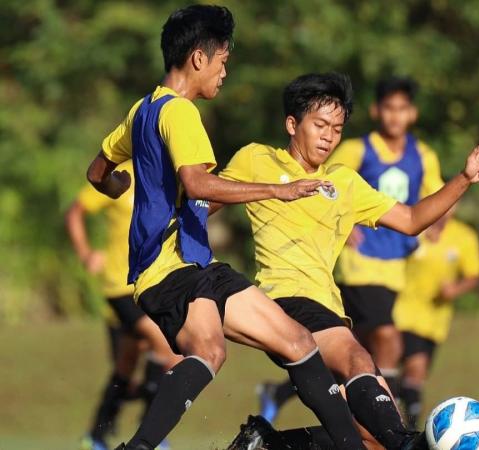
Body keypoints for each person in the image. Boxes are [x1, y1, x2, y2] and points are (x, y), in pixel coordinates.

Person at [86, 6, 367, 450]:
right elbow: (196, 183)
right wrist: (279, 191)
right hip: (170, 266)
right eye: (223, 63)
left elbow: (97, 170)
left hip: (194, 264)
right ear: (200, 58)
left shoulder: (143, 108)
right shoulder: (179, 113)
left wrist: (117, 183)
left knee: (290, 340)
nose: (223, 74)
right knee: (215, 351)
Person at [220, 72, 479, 450]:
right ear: (292, 124)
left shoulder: (344, 182)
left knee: (370, 436)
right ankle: (407, 443)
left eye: (336, 129)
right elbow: (204, 200)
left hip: (329, 309)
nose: (328, 137)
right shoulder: (256, 159)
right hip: (283, 302)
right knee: (358, 359)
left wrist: (465, 178)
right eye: (320, 125)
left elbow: (412, 220)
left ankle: (266, 444)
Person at [257, 77, 444, 420]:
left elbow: (431, 203)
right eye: (388, 108)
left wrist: (440, 220)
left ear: (413, 114)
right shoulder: (358, 149)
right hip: (358, 265)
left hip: (395, 267)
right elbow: (326, 182)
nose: (394, 116)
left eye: (402, 109)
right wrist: (350, 222)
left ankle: (288, 396)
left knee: (349, 354)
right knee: (387, 340)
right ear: (377, 111)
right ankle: (389, 417)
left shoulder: (424, 156)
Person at [66, 160, 179, 450]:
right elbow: (75, 211)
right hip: (120, 285)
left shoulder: (171, 175)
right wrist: (86, 253)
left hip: (151, 283)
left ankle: (97, 435)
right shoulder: (121, 173)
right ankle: (151, 434)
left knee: (127, 363)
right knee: (167, 350)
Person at [393, 206, 479, 428]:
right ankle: (407, 430)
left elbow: (475, 274)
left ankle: (393, 419)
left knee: (412, 377)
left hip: (434, 321)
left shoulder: (463, 236)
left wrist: (455, 289)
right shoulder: (413, 224)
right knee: (415, 368)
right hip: (401, 311)